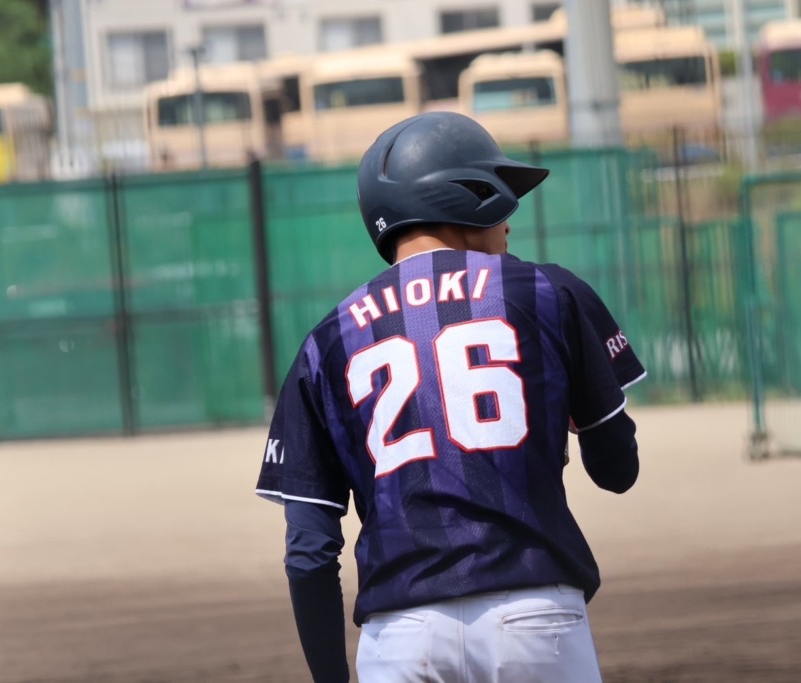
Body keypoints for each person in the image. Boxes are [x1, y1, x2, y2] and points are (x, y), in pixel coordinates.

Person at [255, 111, 645, 682]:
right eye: (502, 199)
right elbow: (618, 471)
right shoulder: (549, 291)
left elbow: (308, 553)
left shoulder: (326, 341)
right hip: (533, 620)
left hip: (402, 637)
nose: (509, 225)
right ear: (468, 197)